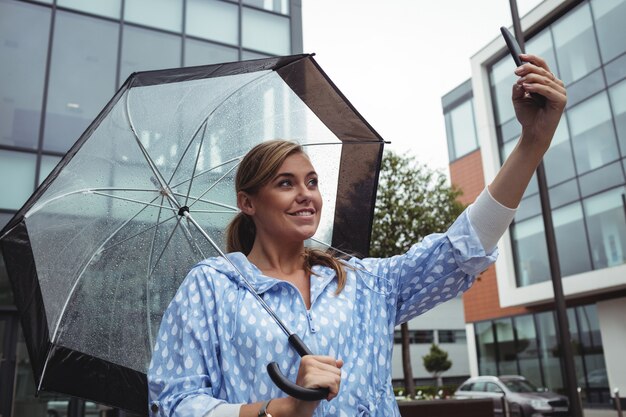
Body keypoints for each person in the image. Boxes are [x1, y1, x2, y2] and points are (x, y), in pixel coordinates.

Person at [147, 54, 566, 417]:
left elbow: (461, 250)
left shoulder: (364, 283)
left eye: (311, 182)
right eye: (286, 183)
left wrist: (532, 143)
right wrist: (280, 409)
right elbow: (174, 404)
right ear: (248, 202)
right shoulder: (211, 286)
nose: (306, 195)